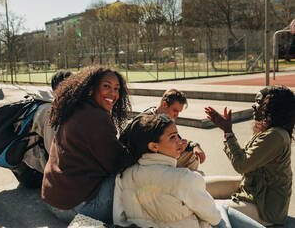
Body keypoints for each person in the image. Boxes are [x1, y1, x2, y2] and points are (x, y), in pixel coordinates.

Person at [114, 114, 265, 228]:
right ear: (154, 146)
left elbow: (119, 220)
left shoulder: (124, 175)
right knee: (219, 210)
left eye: (178, 136)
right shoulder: (184, 178)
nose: (181, 142)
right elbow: (214, 218)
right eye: (173, 137)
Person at [41, 65, 131, 224]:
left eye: (117, 89)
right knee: (127, 176)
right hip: (75, 210)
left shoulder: (73, 107)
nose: (113, 93)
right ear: (91, 88)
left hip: (51, 200)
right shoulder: (96, 117)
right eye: (106, 86)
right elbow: (117, 163)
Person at [204, 85, 295, 226]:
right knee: (197, 185)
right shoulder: (266, 131)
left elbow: (241, 164)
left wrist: (228, 132)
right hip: (251, 187)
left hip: (265, 207)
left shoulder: (276, 135)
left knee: (206, 209)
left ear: (272, 107)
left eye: (259, 102)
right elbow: (242, 158)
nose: (253, 106)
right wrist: (227, 131)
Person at [12, 71, 72, 188]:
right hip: (33, 174)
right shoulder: (51, 111)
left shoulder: (43, 100)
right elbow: (54, 154)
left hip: (26, 167)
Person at [120, 88, 206, 171]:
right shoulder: (144, 122)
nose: (177, 115)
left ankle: (185, 182)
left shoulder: (164, 119)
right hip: (138, 165)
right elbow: (140, 153)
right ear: (164, 104)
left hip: (155, 159)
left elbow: (176, 140)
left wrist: (194, 146)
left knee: (193, 155)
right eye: (175, 110)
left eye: (179, 112)